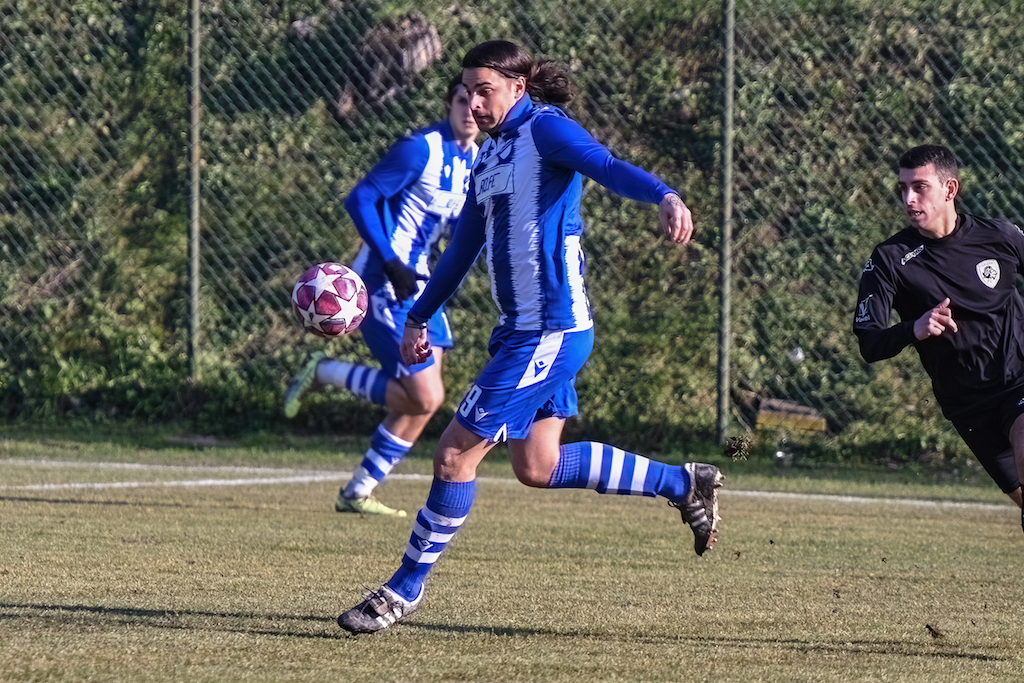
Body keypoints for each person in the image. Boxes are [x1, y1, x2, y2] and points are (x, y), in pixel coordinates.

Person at [336, 40, 724, 634]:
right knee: (537, 466)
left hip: (549, 330)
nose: (475, 102)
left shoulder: (546, 131)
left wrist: (665, 194)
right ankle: (682, 482)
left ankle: (401, 592)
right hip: (523, 332)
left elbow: (608, 165)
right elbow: (463, 247)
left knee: (452, 456)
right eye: (467, 91)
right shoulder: (488, 159)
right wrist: (419, 315)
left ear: (518, 87)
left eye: (485, 90)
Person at [284, 76, 480, 517]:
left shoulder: (476, 159)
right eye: (463, 99)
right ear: (449, 102)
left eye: (480, 100)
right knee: (425, 396)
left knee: (423, 402)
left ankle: (357, 491)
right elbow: (361, 198)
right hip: (383, 285)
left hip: (425, 288)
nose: (471, 109)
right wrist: (391, 260)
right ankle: (327, 371)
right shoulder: (421, 150)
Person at [853, 143, 1024, 523]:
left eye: (919, 187)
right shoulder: (889, 260)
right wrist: (914, 328)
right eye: (902, 189)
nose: (908, 198)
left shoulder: (1001, 237)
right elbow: (870, 342)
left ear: (950, 189)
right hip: (966, 404)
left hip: (1018, 381)